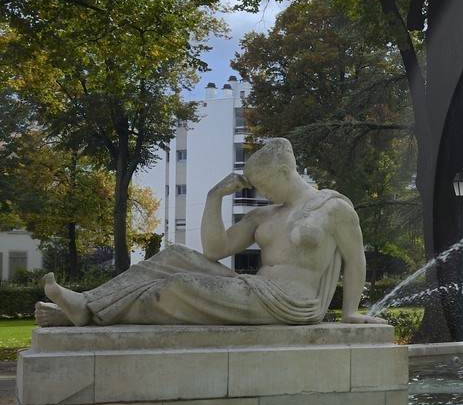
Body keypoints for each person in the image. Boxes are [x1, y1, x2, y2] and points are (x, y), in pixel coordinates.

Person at [40, 138, 377, 327]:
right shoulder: (264, 215)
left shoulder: (332, 208)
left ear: (285, 172)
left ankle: (89, 313)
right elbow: (216, 250)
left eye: (264, 185)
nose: (261, 194)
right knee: (174, 256)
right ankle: (84, 304)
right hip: (256, 289)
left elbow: (355, 259)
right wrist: (214, 196)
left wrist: (350, 313)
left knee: (178, 286)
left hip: (293, 302)